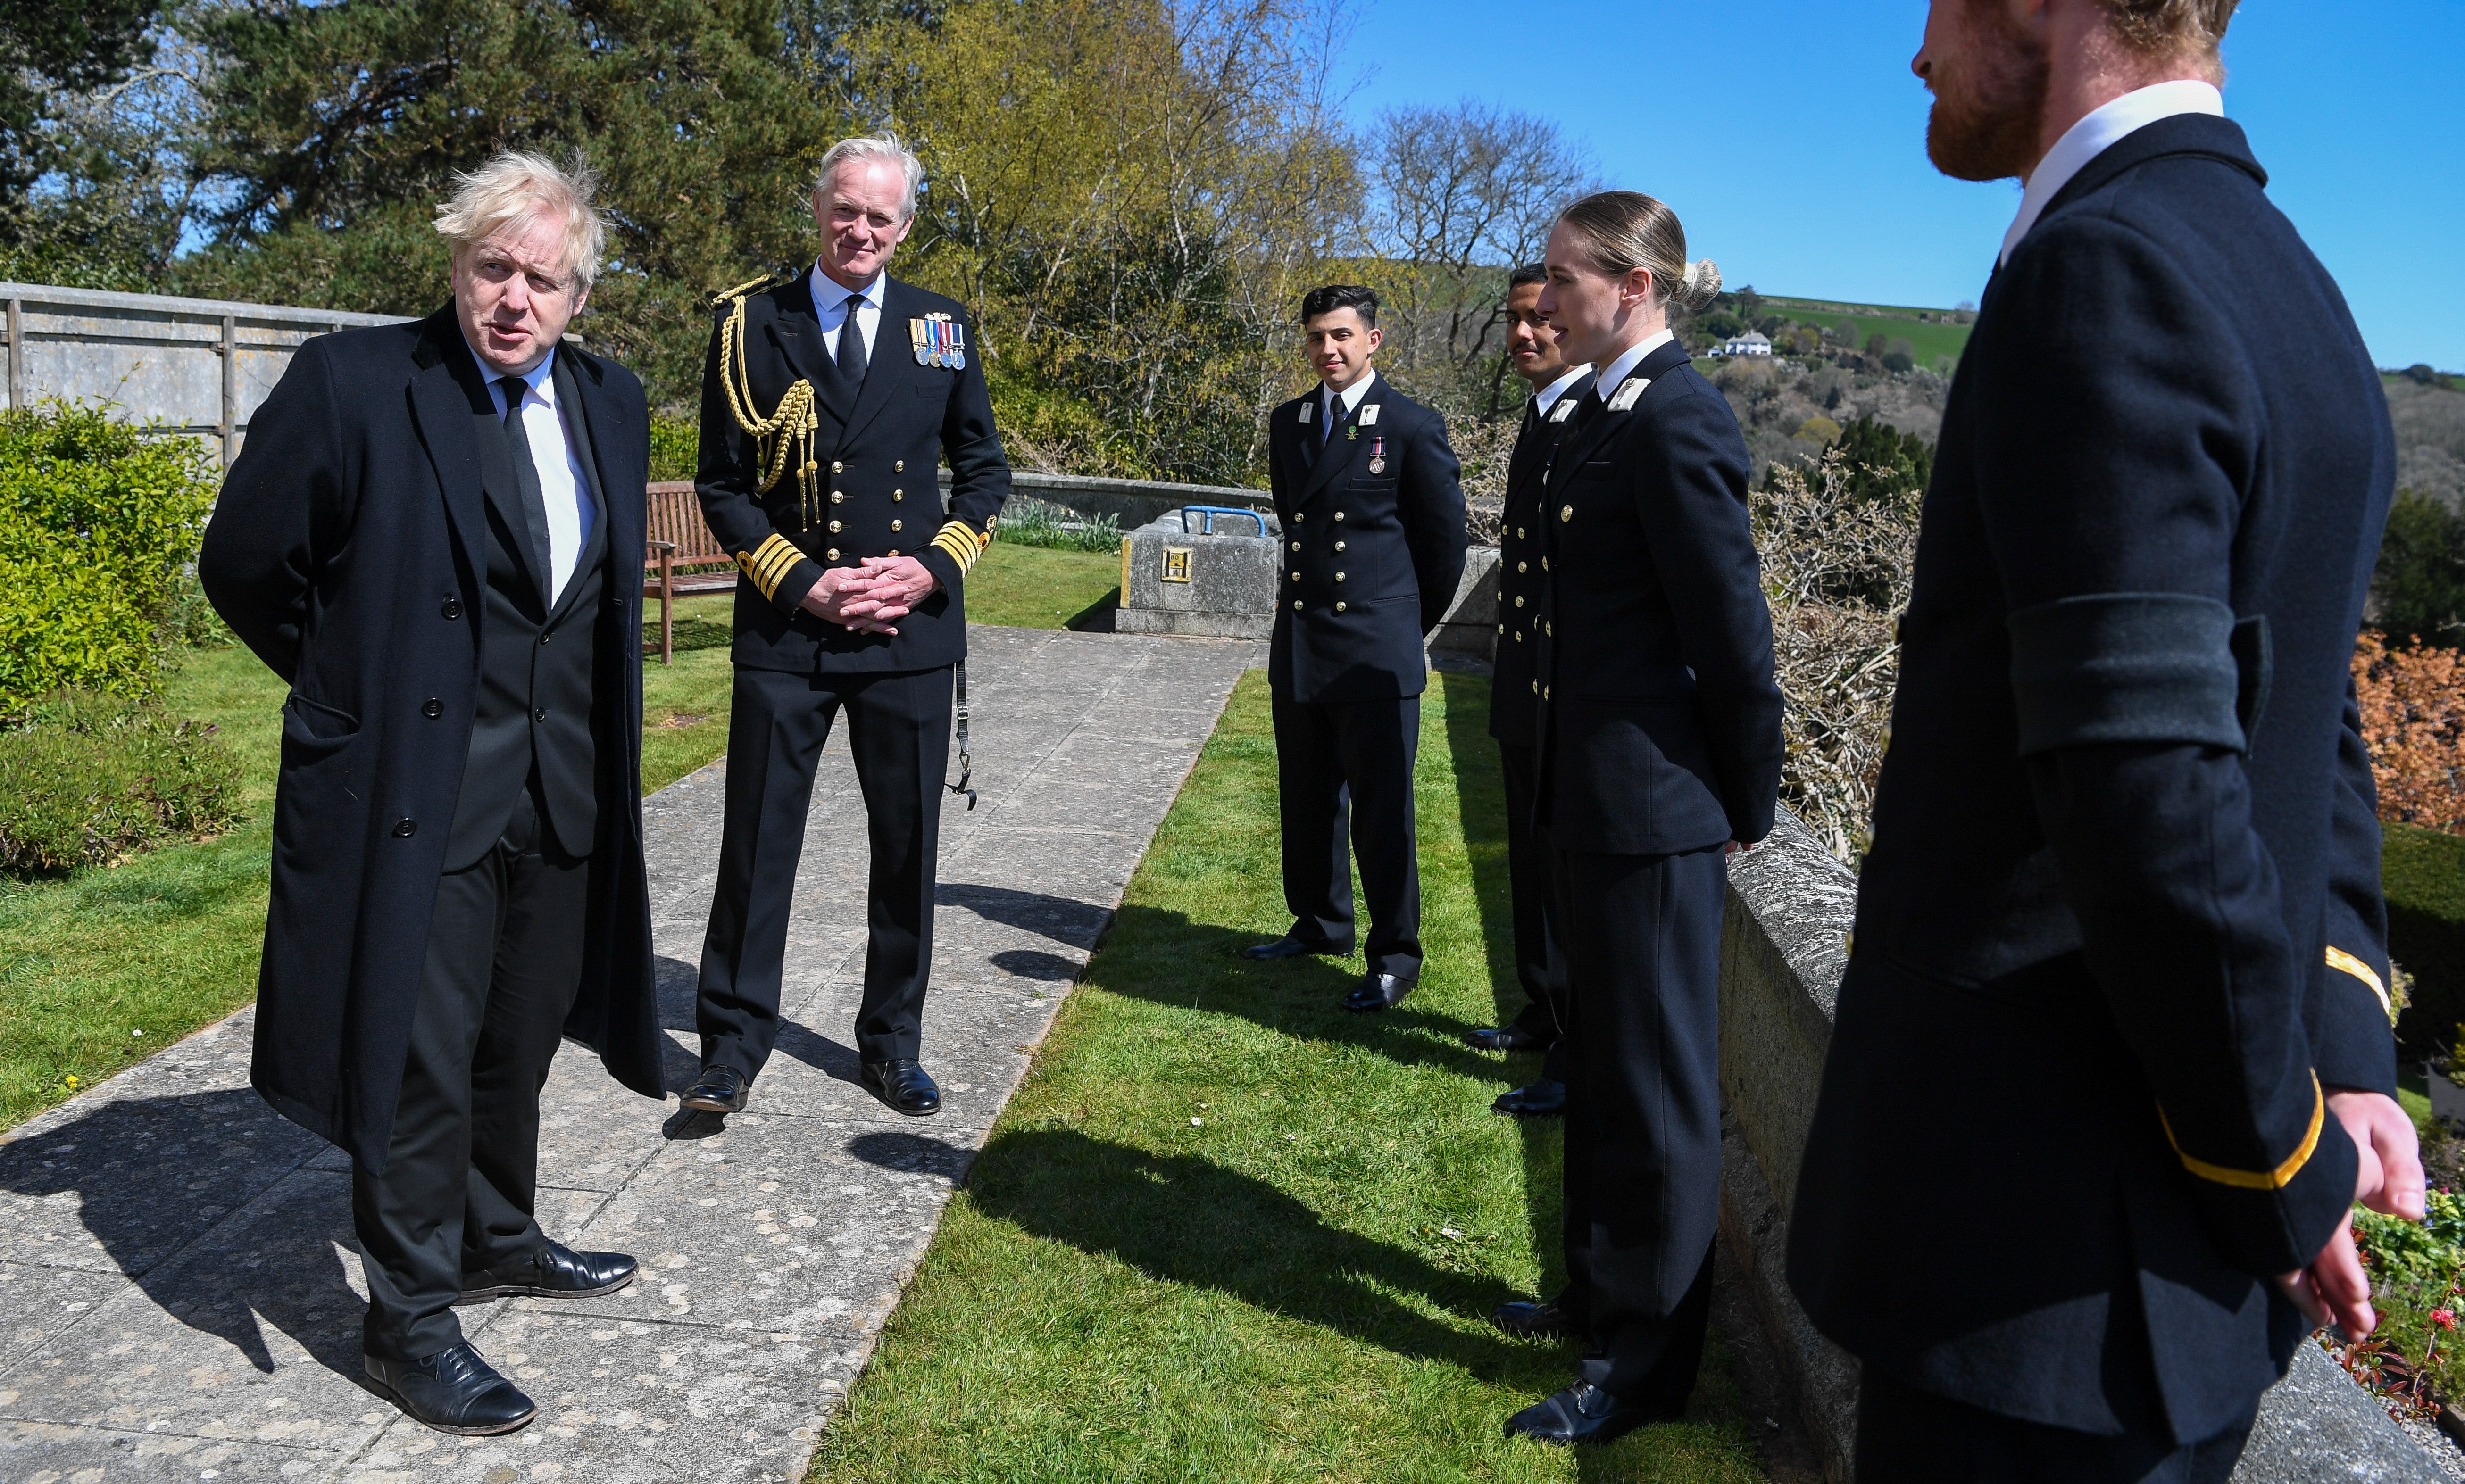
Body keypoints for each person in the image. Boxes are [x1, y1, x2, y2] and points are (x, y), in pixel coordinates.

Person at [1785, 1, 2422, 1478]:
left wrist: (2283, 1160)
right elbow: (2307, 711)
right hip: (2162, 1287)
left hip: (2039, 1275)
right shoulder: (2300, 292)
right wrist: (2346, 1050)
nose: (1916, 52)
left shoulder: (2104, 269)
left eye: (1936, 3)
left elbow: (2148, 788)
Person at [200, 151, 661, 1435]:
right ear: (453, 264)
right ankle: (406, 1317)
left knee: (518, 1035)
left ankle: (494, 1232)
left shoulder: (609, 402)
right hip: (417, 788)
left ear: (580, 295)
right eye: (492, 268)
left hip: (562, 785)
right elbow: (244, 561)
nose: (515, 299)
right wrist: (355, 686)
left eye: (544, 279)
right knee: (418, 1056)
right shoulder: (355, 384)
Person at [1496, 192, 1782, 1445]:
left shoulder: (1676, 420)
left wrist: (1743, 800)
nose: (1545, 297)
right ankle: (1593, 1297)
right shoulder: (1594, 417)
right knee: (1596, 1069)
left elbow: (1733, 641)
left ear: (1633, 286)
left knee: (1657, 1094)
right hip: (1585, 794)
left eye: (1565, 277)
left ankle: (1646, 1362)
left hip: (1655, 813)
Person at [681, 134, 1010, 1121]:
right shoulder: (750, 325)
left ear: (905, 226)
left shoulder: (940, 327)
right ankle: (731, 1047)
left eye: (881, 215)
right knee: (756, 842)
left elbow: (985, 472)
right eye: (845, 209)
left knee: (907, 849)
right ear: (816, 209)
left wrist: (931, 567)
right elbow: (722, 485)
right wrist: (802, 582)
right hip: (790, 632)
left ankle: (891, 1045)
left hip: (908, 636)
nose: (860, 229)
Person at [1244, 284, 1466, 1012]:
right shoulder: (1290, 423)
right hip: (1305, 643)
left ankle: (1395, 953)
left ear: (1374, 340)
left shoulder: (1408, 425)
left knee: (1382, 812)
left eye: (1341, 335)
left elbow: (1441, 548)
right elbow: (1293, 522)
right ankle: (1319, 923)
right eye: (1315, 338)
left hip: (1376, 651)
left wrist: (1403, 625)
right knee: (1306, 798)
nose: (1327, 350)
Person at [1465, 263, 1592, 1120]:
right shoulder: (1540, 415)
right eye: (1513, 321)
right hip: (1526, 683)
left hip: (1573, 694)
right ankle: (1541, 1013)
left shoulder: (1593, 418)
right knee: (1530, 863)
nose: (1524, 335)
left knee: (1571, 881)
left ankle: (1574, 1056)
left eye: (1541, 321)